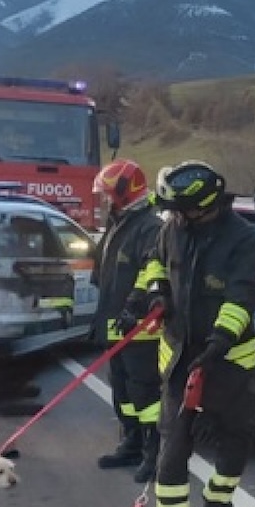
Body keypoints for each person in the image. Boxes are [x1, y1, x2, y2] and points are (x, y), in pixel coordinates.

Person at [124, 160, 255, 507]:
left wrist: (219, 342)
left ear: (204, 207)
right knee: (172, 454)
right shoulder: (173, 230)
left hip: (229, 365)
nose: (174, 216)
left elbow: (242, 298)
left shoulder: (244, 241)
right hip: (179, 360)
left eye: (180, 209)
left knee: (235, 447)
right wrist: (156, 296)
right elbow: (154, 265)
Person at [93, 159, 165, 484]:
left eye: (108, 195)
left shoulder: (149, 228)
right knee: (121, 389)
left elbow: (150, 272)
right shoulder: (118, 222)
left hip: (141, 328)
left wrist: (134, 309)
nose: (104, 200)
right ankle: (132, 443)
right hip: (114, 322)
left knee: (145, 394)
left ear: (124, 194)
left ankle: (153, 453)